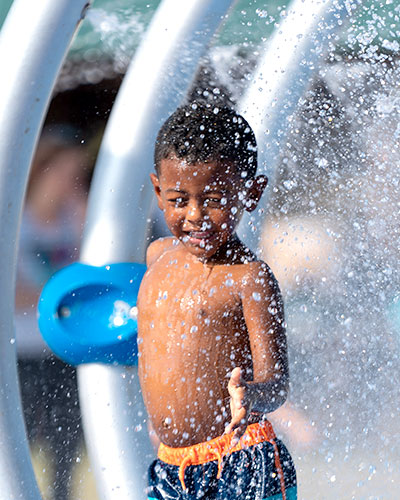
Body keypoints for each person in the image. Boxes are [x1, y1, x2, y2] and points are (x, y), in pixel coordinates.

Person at [137, 103, 297, 500]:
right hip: (170, 468)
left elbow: (277, 383)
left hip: (241, 461)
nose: (195, 215)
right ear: (158, 192)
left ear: (252, 193)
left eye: (215, 199)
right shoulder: (157, 256)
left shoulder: (249, 279)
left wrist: (253, 395)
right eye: (179, 200)